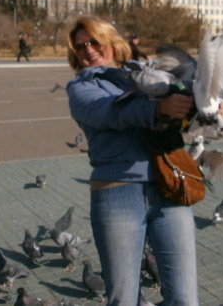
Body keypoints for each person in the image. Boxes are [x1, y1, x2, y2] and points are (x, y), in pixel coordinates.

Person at [66, 16, 199, 305]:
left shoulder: (146, 73)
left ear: (111, 41)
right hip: (117, 194)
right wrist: (159, 109)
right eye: (80, 46)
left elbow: (181, 112)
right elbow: (109, 112)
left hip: (169, 187)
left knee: (185, 298)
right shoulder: (81, 87)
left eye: (94, 42)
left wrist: (202, 106)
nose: (88, 49)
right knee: (124, 299)